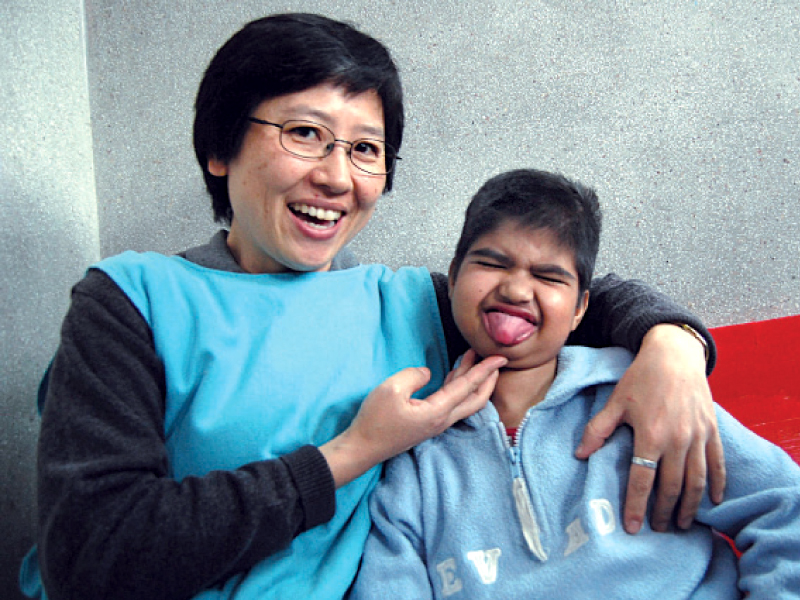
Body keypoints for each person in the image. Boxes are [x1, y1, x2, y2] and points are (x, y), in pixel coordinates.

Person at [21, 14, 723, 600]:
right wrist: (352, 452)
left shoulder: (411, 305)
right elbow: (93, 555)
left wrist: (673, 342)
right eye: (303, 134)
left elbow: (559, 295)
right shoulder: (130, 299)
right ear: (219, 147)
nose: (335, 176)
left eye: (365, 149)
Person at [349, 169, 800, 599]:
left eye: (548, 276)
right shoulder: (415, 466)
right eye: (491, 262)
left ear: (582, 307)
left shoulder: (643, 395)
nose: (516, 290)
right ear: (452, 279)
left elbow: (784, 505)